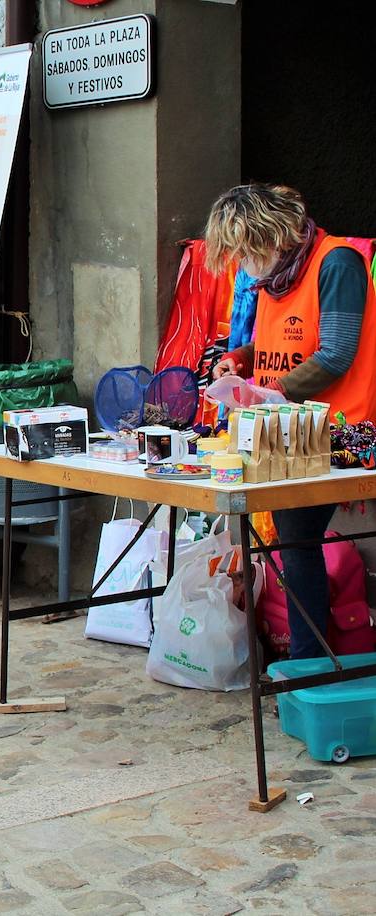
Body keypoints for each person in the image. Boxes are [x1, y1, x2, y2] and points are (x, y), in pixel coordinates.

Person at [206, 183, 376, 659]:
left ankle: (308, 664)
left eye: (246, 250)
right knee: (294, 542)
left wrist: (272, 392)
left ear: (272, 235)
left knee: (297, 541)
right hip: (282, 430)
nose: (243, 264)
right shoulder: (276, 279)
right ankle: (306, 661)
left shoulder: (336, 262)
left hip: (338, 432)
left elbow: (337, 353)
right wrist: (238, 359)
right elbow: (278, 346)